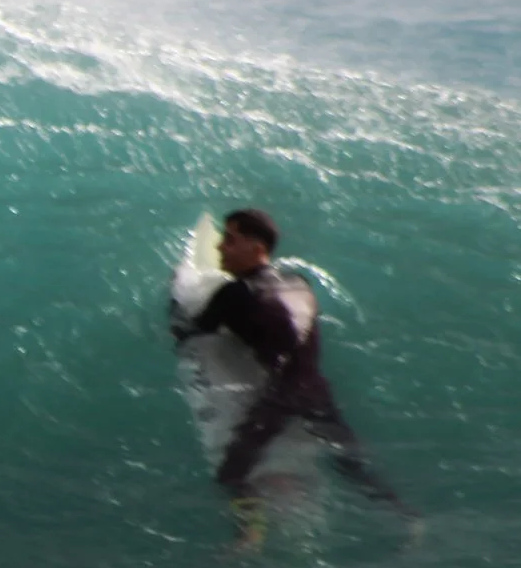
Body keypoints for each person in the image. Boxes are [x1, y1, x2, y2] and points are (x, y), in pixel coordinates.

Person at [171, 207, 414, 549]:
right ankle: (404, 517)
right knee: (350, 463)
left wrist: (176, 296)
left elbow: (191, 333)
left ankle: (250, 531)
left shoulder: (235, 294)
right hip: (315, 389)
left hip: (282, 394)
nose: (221, 248)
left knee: (232, 473)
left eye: (231, 240)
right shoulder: (298, 284)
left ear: (257, 247)